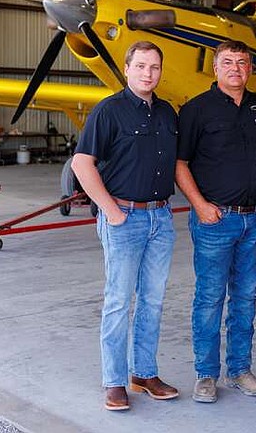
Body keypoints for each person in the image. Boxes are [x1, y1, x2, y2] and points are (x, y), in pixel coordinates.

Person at [71, 41, 179, 412]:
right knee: (118, 302)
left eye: (155, 67)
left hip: (161, 219)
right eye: (141, 66)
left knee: (153, 300)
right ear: (127, 68)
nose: (148, 73)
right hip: (125, 218)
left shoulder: (167, 113)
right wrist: (112, 213)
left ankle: (144, 374)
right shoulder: (109, 111)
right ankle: (114, 381)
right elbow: (82, 164)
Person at [175, 40, 256, 403]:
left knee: (245, 297)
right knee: (210, 297)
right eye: (227, 62)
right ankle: (205, 374)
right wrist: (199, 205)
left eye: (242, 62)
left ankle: (240, 370)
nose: (235, 68)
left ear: (250, 69)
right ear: (215, 69)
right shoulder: (196, 110)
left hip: (255, 220)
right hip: (215, 220)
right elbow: (180, 164)